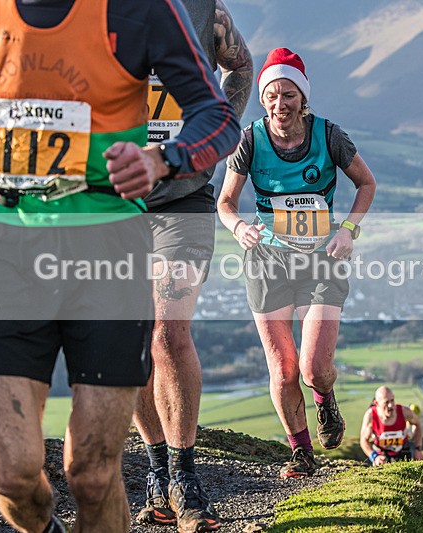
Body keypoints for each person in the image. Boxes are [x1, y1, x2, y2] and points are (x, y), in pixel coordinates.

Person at [0, 2, 239, 533]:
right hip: (7, 251)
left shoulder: (141, 9)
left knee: (91, 474)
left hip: (109, 253)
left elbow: (217, 115)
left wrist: (163, 159)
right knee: (11, 472)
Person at [218, 47, 376, 478]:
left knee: (313, 368)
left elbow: (366, 183)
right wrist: (237, 229)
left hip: (321, 260)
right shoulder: (250, 139)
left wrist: (348, 230)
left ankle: (325, 400)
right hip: (268, 261)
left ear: (302, 98)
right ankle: (301, 454)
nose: (279, 104)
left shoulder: (328, 136)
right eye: (271, 95)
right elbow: (225, 203)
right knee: (284, 369)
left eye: (288, 95)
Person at [131, 0, 252, 529]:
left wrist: (212, 135)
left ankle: (185, 477)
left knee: (167, 332)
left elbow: (242, 65)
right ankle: (157, 470)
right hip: (115, 199)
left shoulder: (205, 8)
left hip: (186, 197)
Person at [360, 386, 423, 465]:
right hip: (382, 457)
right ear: (376, 403)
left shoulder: (404, 412)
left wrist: (418, 449)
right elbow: (363, 440)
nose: (390, 405)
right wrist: (375, 456)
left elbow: (417, 424)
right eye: (386, 402)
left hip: (403, 453)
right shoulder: (371, 416)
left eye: (392, 400)